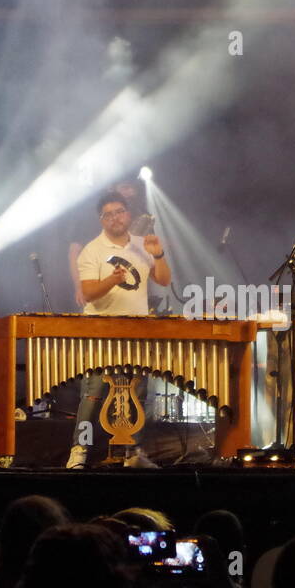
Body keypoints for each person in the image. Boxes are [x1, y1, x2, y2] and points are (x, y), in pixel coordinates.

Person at [65, 189, 170, 469]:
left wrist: (158, 254)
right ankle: (79, 450)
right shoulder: (92, 250)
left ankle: (132, 452)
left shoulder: (141, 244)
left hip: (135, 329)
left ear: (128, 215)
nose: (115, 218)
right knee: (93, 393)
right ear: (101, 220)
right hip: (100, 329)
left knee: (138, 392)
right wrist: (112, 280)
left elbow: (163, 279)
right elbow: (87, 293)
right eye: (108, 215)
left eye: (119, 212)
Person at [68, 179, 145, 310]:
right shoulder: (92, 216)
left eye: (133, 188)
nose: (131, 192)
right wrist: (79, 286)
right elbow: (74, 252)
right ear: (111, 188)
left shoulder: (140, 215)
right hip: (99, 293)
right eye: (125, 187)